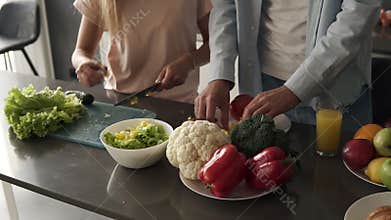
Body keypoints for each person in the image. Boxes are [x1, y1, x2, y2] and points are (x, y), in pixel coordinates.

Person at [195, 0, 381, 131]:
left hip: (336, 95)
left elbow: (358, 16)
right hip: (261, 85)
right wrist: (220, 74)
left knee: (341, 183)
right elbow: (225, 6)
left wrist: (296, 89)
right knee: (267, 179)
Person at [72, 0, 211, 104]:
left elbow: (213, 45)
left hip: (179, 102)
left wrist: (189, 62)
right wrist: (83, 64)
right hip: (120, 100)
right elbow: (81, 51)